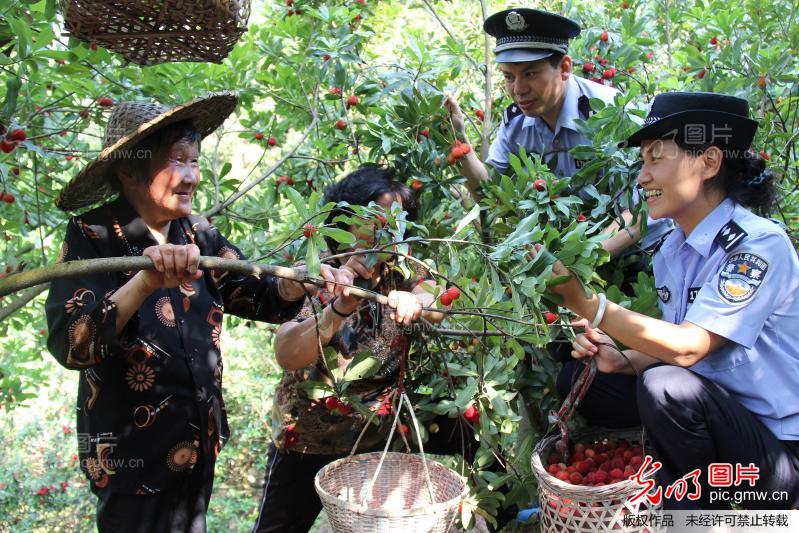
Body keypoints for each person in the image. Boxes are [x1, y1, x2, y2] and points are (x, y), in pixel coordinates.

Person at [46, 93, 354, 533]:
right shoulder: (92, 236)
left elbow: (252, 293)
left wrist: (289, 283)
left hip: (196, 445)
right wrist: (145, 281)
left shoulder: (198, 232)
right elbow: (71, 342)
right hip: (132, 461)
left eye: (195, 161)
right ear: (130, 170)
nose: (191, 176)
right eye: (177, 161)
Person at [535, 91, 799, 509]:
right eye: (643, 162)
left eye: (656, 159)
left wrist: (590, 306)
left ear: (709, 162)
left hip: (775, 453)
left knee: (666, 389)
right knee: (581, 379)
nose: (643, 177)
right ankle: (677, 477)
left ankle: (701, 509)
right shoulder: (674, 250)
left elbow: (690, 347)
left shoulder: (757, 246)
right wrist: (623, 360)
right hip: (711, 413)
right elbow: (679, 345)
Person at [252, 167, 447, 533]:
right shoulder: (317, 272)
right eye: (377, 217)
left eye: (398, 219)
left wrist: (417, 300)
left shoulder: (398, 270)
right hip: (307, 439)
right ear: (346, 220)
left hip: (374, 436)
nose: (389, 228)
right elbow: (288, 352)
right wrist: (338, 309)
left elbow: (435, 296)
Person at [445, 7, 673, 257]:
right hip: (569, 259)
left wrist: (581, 260)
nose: (518, 89)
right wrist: (458, 140)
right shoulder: (515, 122)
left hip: (644, 256)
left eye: (530, 74)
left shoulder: (611, 113)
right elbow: (491, 194)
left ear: (564, 67)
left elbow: (651, 200)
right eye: (509, 77)